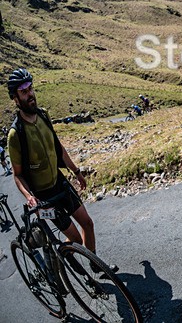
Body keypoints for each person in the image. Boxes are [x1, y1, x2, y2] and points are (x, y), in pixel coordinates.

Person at [5, 68, 110, 265]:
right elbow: (17, 175)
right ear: (15, 98)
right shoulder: (15, 134)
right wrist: (30, 198)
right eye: (23, 91)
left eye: (30, 88)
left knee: (87, 223)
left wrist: (76, 172)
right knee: (76, 240)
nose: (30, 94)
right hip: (44, 197)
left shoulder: (43, 115)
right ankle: (66, 259)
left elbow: (58, 148)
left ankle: (97, 267)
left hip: (59, 183)